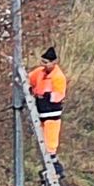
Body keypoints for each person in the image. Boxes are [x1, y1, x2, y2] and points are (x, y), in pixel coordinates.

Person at [28, 46, 67, 177]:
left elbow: (58, 95)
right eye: (42, 62)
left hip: (51, 113)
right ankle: (50, 167)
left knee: (50, 143)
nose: (43, 65)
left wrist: (43, 96)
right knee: (43, 141)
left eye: (46, 62)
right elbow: (29, 80)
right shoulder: (39, 72)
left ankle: (56, 169)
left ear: (54, 63)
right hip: (41, 111)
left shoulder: (58, 77)